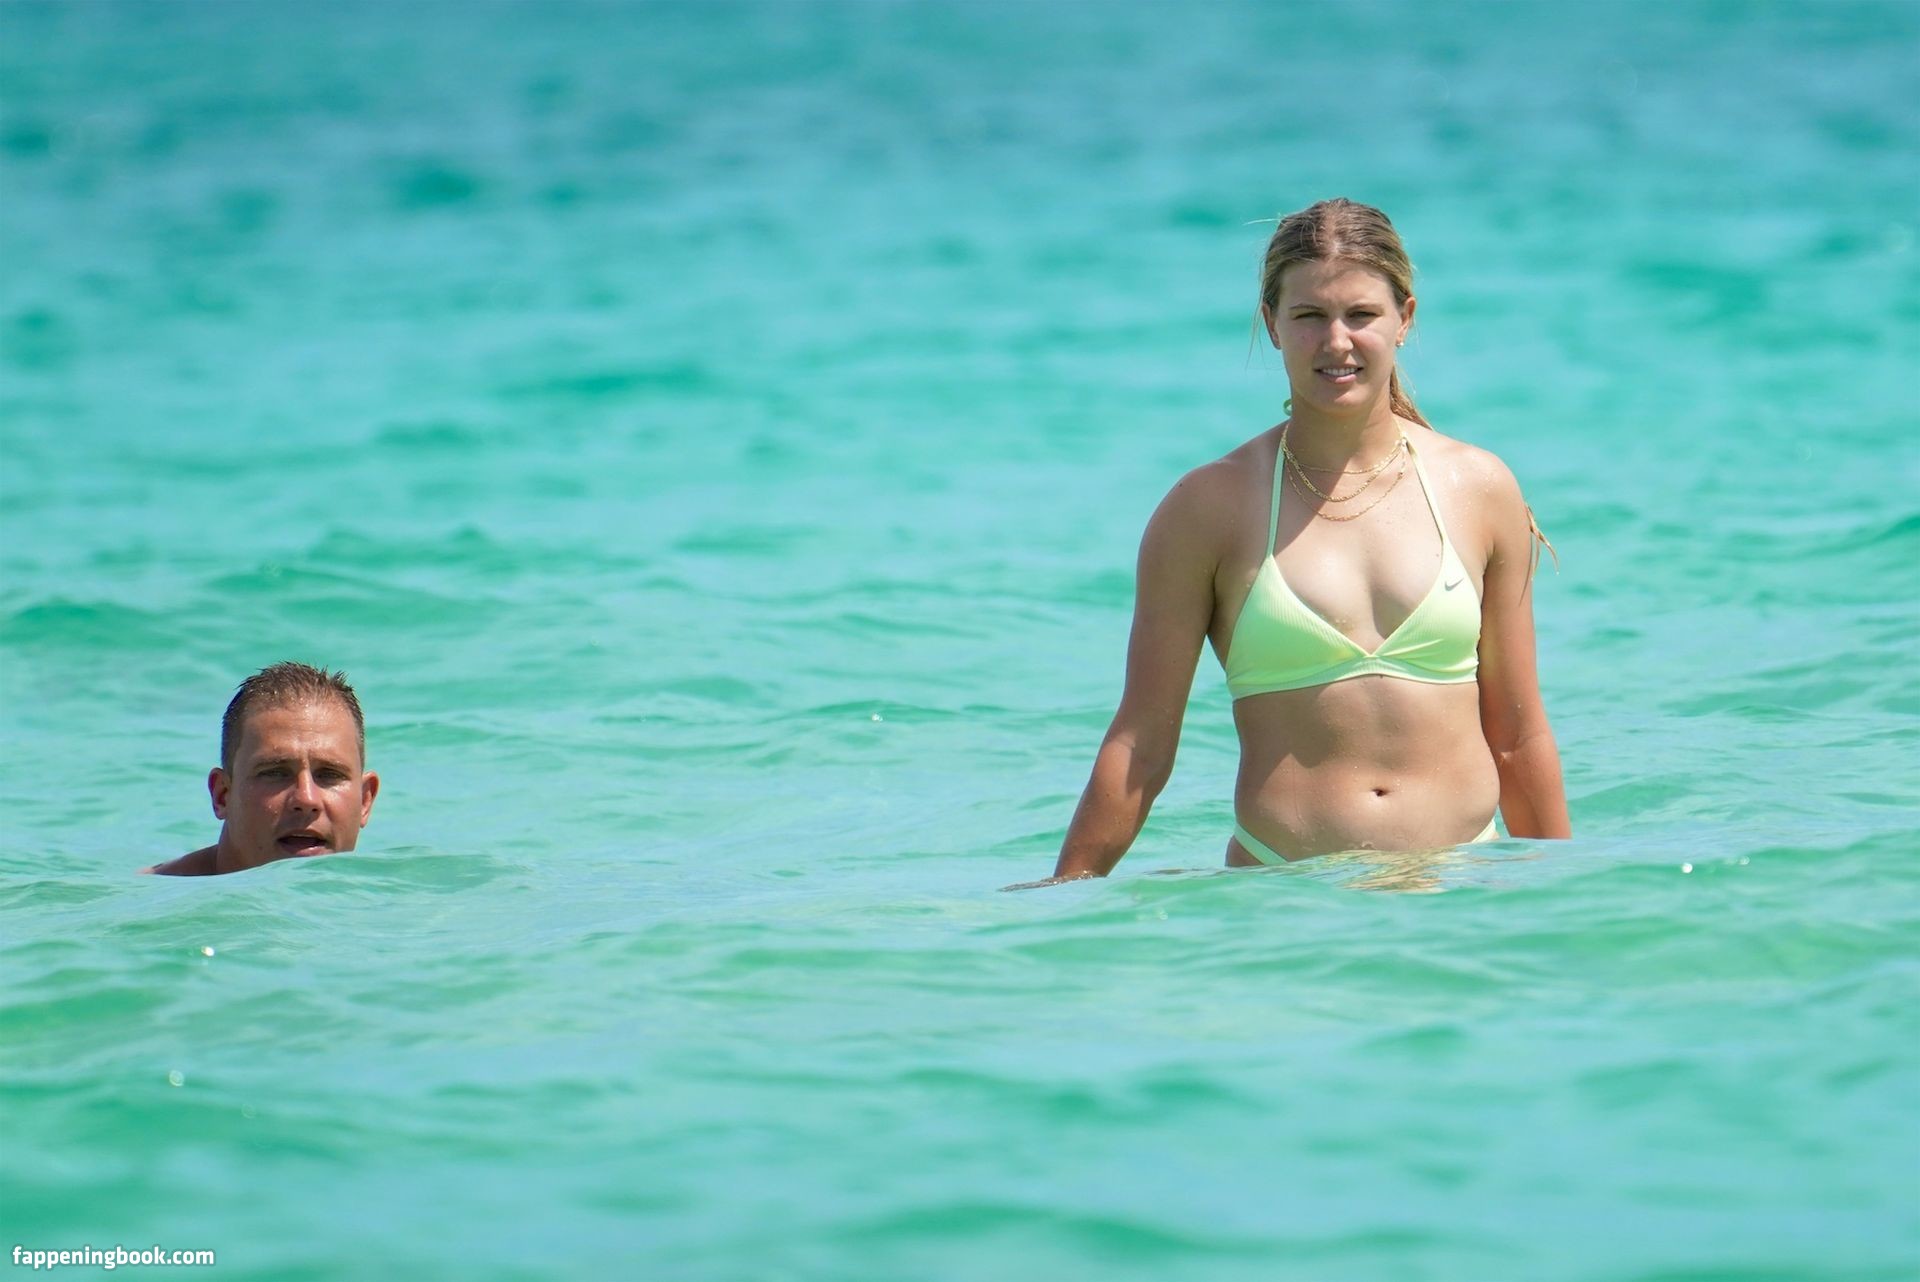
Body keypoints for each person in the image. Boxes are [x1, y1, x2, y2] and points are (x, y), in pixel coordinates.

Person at [1044, 198, 1569, 882]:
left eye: (1361, 315)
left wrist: (1568, 895)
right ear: (1272, 324)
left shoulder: (1478, 487)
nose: (1337, 341)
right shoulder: (1209, 508)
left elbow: (1519, 736)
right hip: (1283, 895)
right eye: (1309, 316)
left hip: (1461, 883)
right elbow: (1141, 745)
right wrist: (1063, 896)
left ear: (1405, 319)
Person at [145, 662, 380, 877]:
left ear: (365, 801)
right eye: (275, 773)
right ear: (222, 795)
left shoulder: (388, 900)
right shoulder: (155, 901)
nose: (307, 799)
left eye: (329, 774)